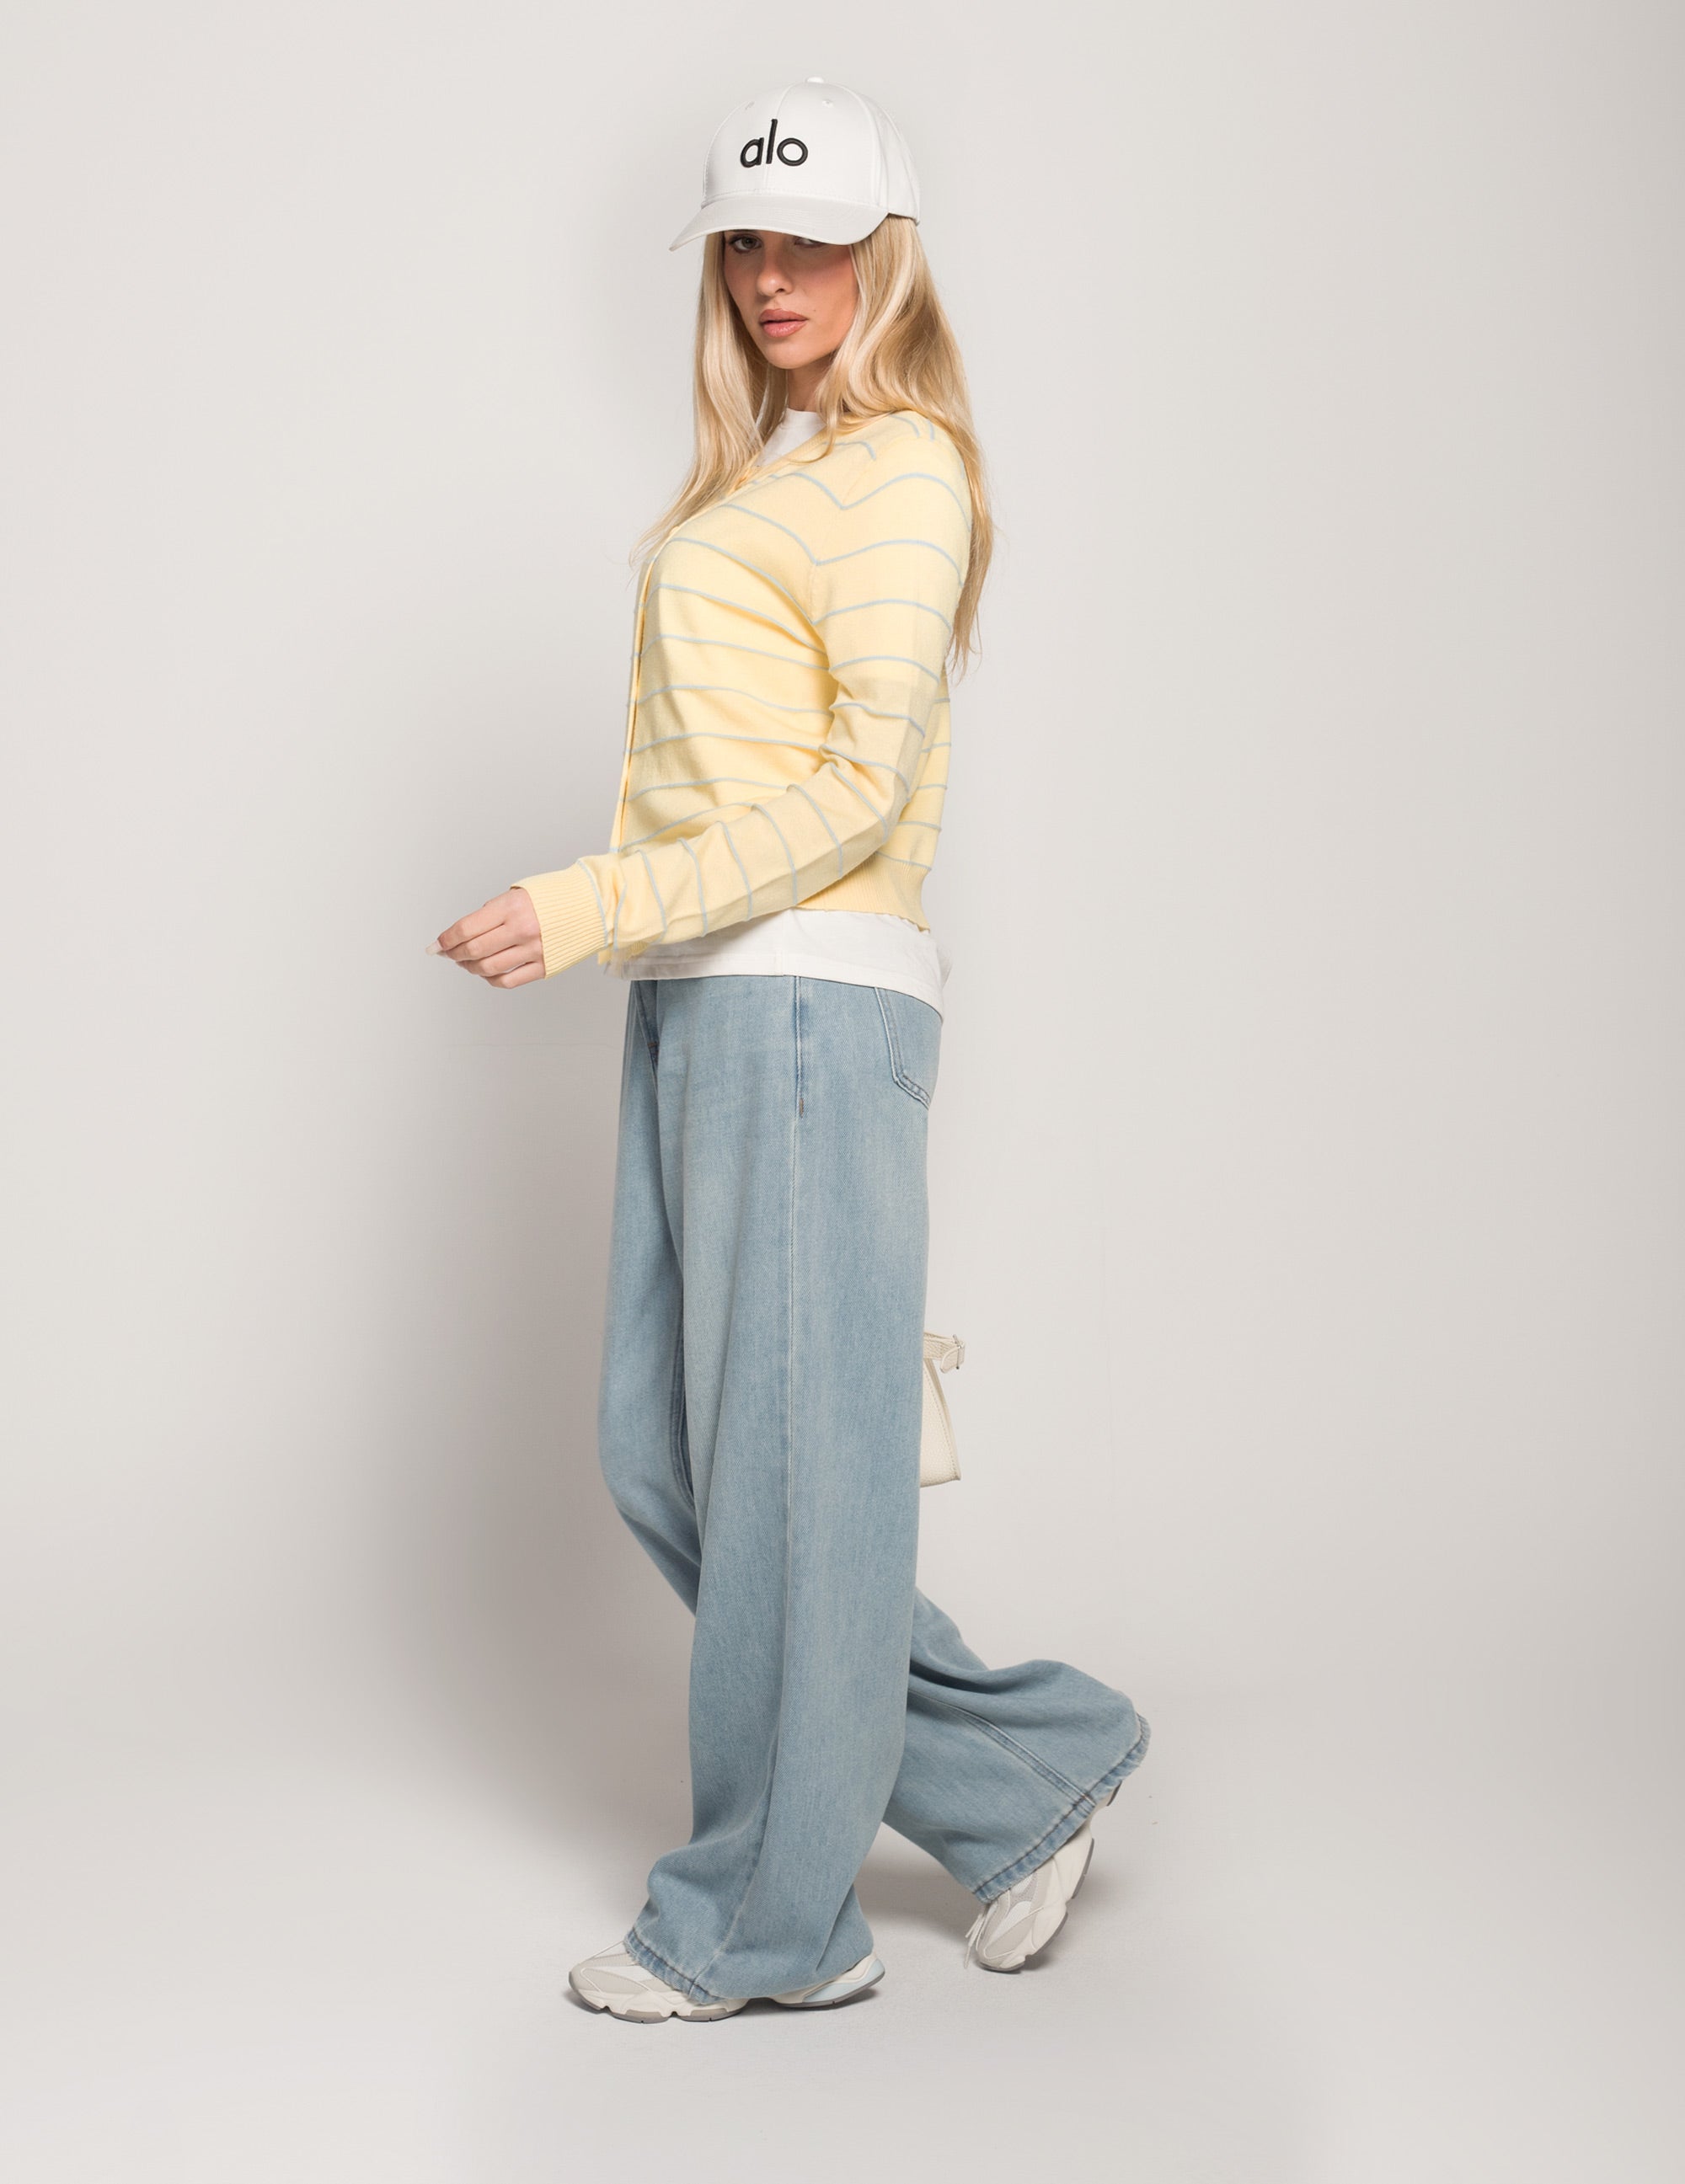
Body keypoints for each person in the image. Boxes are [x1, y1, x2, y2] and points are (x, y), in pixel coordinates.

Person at [431, 76, 1149, 2023]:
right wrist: (638, 934)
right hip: (707, 986)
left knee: (785, 1476)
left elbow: (857, 789)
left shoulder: (904, 468)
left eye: (812, 238)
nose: (772, 275)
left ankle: (766, 1923)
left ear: (883, 254)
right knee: (677, 1458)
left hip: (811, 997)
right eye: (747, 241)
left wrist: (587, 903)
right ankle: (1024, 1770)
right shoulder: (766, 472)